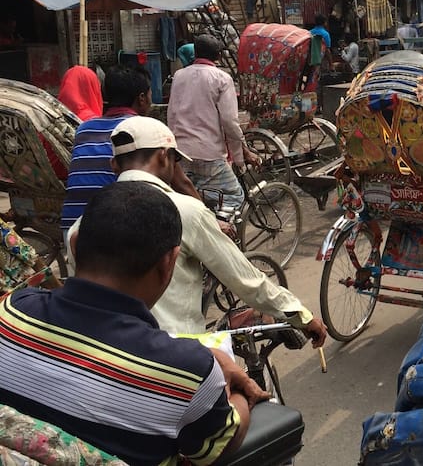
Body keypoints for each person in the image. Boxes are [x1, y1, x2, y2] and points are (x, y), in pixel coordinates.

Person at [0, 182, 267, 465]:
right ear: (169, 263)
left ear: (75, 246)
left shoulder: (11, 312)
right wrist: (238, 394)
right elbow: (216, 448)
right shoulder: (189, 372)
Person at [64, 116, 328, 342]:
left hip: (107, 355)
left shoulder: (81, 225)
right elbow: (245, 280)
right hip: (179, 357)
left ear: (114, 165)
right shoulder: (184, 211)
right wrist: (301, 315)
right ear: (164, 156)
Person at [60, 66, 198, 236]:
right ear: (141, 98)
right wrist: (207, 217)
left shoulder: (83, 129)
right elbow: (182, 183)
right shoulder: (146, 129)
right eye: (149, 94)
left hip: (71, 227)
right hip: (114, 229)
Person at [168, 34, 260, 210]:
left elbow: (172, 113)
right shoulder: (222, 78)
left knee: (193, 199)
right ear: (218, 55)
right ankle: (223, 232)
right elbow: (230, 122)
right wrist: (240, 158)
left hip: (181, 151)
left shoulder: (179, 75)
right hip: (208, 153)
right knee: (235, 198)